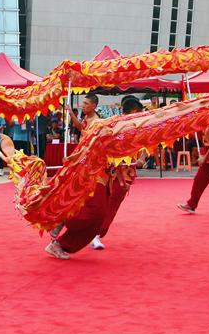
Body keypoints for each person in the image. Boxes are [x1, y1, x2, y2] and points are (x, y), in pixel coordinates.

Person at [45, 97, 146, 258]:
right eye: (83, 103)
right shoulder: (109, 125)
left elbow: (117, 158)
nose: (83, 106)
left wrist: (121, 178)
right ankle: (63, 218)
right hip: (94, 172)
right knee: (96, 212)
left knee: (99, 217)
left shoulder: (122, 128)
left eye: (85, 103)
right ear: (134, 112)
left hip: (107, 175)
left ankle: (61, 244)